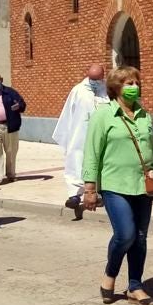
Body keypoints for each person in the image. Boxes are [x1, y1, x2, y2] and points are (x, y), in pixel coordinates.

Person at [82, 66, 153, 305]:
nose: (134, 87)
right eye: (128, 83)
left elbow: (151, 152)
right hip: (115, 185)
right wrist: (90, 188)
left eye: (136, 82)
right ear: (116, 88)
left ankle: (135, 286)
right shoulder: (103, 116)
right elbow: (92, 153)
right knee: (125, 234)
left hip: (142, 185)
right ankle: (110, 274)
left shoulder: (144, 115)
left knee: (141, 237)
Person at [53, 65, 109, 210]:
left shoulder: (107, 90)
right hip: (80, 134)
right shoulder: (78, 91)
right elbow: (68, 114)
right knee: (76, 161)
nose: (95, 82)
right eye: (93, 79)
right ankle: (74, 195)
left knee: (100, 162)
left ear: (103, 76)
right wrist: (68, 134)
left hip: (101, 134)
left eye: (98, 79)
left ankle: (98, 193)